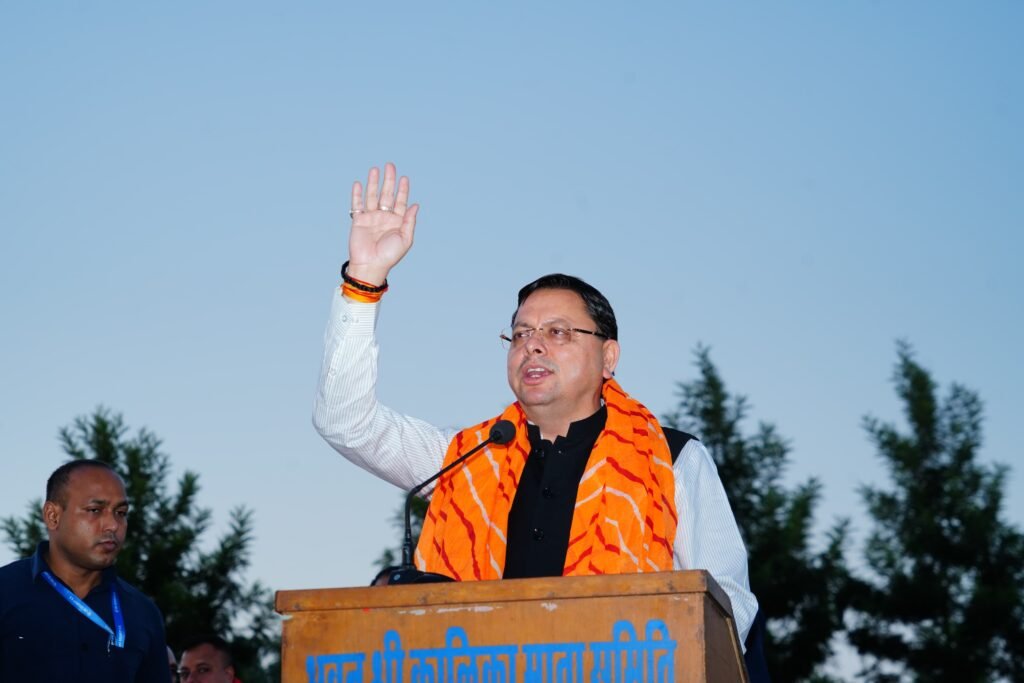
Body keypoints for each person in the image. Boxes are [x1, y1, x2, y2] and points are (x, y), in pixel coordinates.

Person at [312, 163, 759, 646]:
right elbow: (345, 422)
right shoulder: (467, 459)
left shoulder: (672, 459)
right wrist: (364, 282)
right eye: (521, 333)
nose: (534, 345)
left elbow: (729, 605)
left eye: (559, 332)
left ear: (608, 357)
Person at [0, 459, 170, 682]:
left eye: (121, 512)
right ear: (52, 516)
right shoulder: (5, 592)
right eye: (94, 510)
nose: (112, 525)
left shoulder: (143, 613)